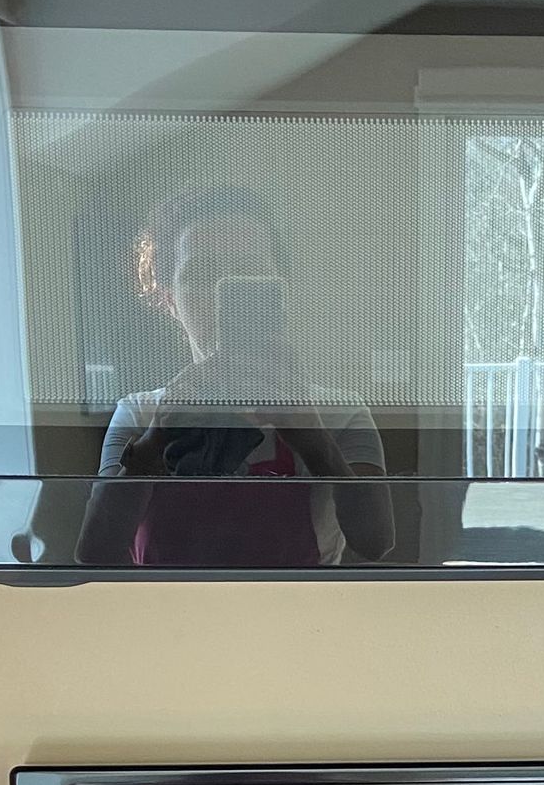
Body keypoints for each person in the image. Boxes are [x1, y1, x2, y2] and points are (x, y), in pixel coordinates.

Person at [76, 185, 395, 567]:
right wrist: (158, 438)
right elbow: (95, 553)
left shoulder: (342, 413)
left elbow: (375, 540)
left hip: (298, 621)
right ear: (168, 297)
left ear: (282, 288)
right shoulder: (140, 413)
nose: (221, 292)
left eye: (248, 274)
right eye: (202, 274)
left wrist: (311, 435)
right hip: (167, 622)